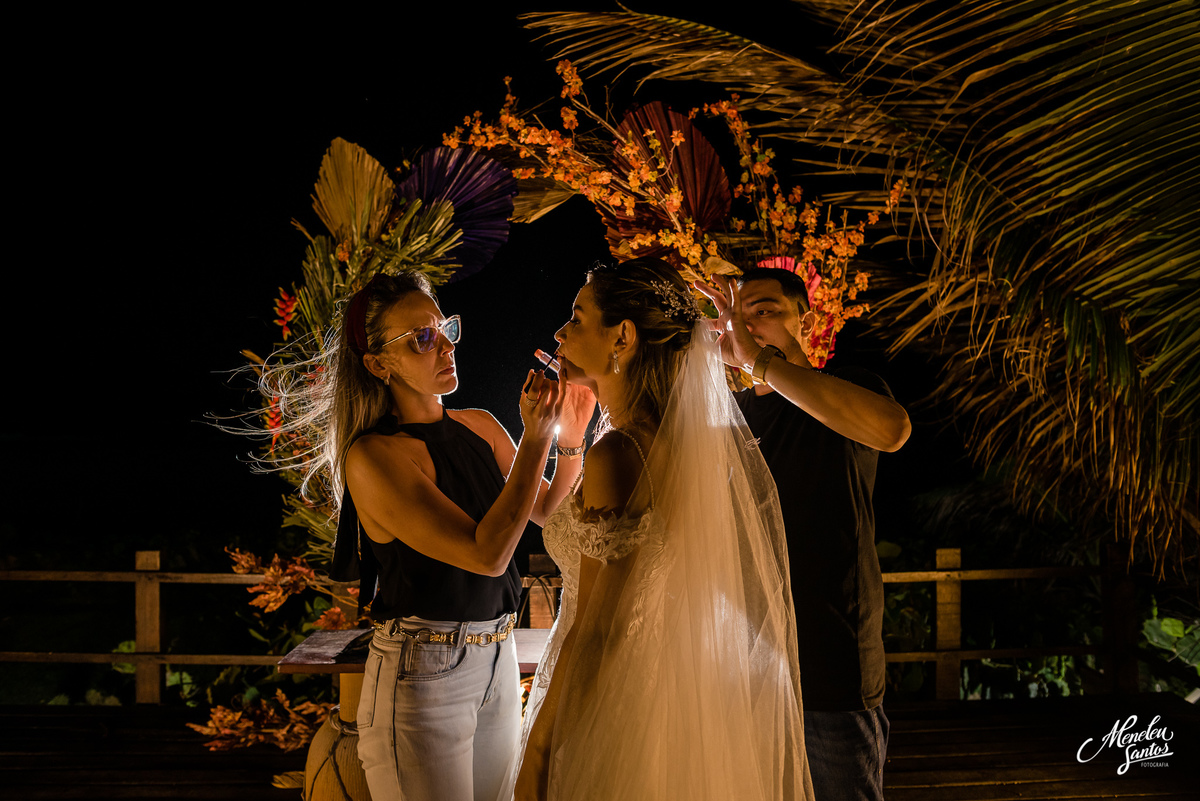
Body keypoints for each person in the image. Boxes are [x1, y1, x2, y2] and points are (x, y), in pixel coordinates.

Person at [272, 270, 594, 801]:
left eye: (444, 328)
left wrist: (570, 440)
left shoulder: (481, 426)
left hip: (499, 655)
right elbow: (488, 555)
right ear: (379, 364)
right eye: (421, 338)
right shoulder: (374, 457)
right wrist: (537, 438)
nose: (445, 346)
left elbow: (548, 514)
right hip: (421, 671)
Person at [506, 258, 813, 801]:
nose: (559, 334)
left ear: (622, 336)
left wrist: (540, 750)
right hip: (669, 697)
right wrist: (568, 438)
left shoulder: (618, 452)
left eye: (577, 318)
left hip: (610, 706)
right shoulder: (674, 444)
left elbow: (599, 629)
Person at [696, 266, 911, 801]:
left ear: (806, 322)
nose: (747, 327)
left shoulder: (845, 390)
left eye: (764, 311)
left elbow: (892, 430)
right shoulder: (729, 418)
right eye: (738, 317)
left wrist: (759, 361)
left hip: (831, 666)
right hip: (746, 669)